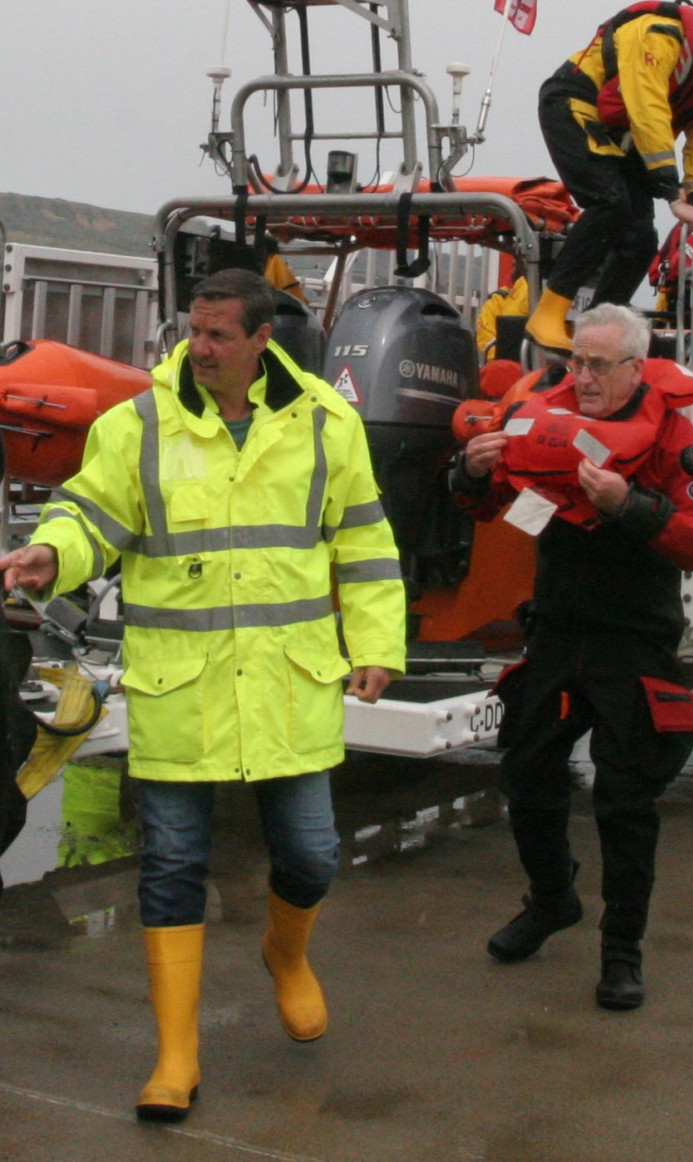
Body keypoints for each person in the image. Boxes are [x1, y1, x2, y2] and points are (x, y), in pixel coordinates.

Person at [0, 268, 407, 1122]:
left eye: (221, 334)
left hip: (289, 686)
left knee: (310, 856)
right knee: (173, 869)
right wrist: (53, 555)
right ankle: (175, 1055)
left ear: (264, 341)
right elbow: (89, 513)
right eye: (195, 330)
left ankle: (286, 957)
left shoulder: (325, 426)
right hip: (177, 687)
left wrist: (376, 644)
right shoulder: (137, 426)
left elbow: (364, 542)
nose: (202, 347)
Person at [452, 303, 693, 1010]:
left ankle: (622, 948)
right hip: (555, 630)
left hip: (633, 638)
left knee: (625, 799)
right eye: (577, 362)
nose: (584, 378)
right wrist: (473, 474)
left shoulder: (676, 441)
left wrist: (630, 506)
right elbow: (498, 510)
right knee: (524, 768)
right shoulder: (543, 414)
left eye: (600, 366)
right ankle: (551, 899)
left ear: (636, 367)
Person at [525, 4, 693, 353]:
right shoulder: (659, 35)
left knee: (640, 239)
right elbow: (648, 109)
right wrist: (670, 192)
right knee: (610, 203)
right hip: (576, 104)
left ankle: (596, 331)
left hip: (625, 137)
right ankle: (547, 316)